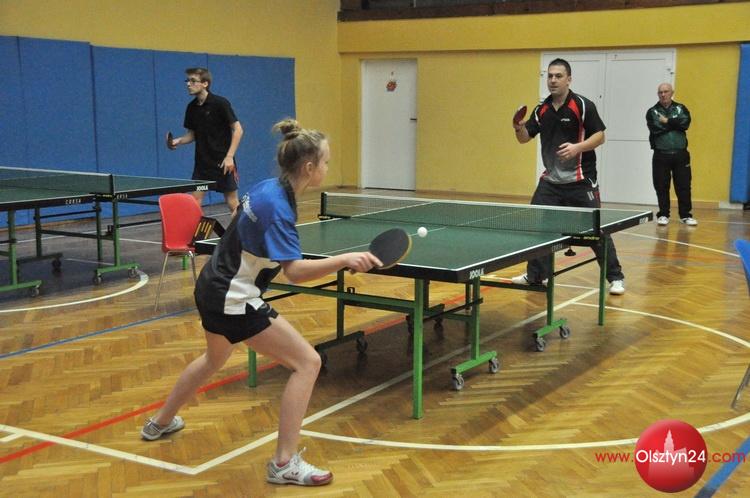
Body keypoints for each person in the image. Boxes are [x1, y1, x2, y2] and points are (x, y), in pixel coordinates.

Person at [142, 119, 382, 486]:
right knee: (308, 363)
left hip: (211, 284)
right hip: (233, 297)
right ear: (309, 167)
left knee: (214, 358)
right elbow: (295, 272)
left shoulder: (267, 188)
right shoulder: (279, 208)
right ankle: (284, 463)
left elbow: (245, 227)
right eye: (326, 162)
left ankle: (159, 422)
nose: (327, 167)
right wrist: (344, 260)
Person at [511, 58, 626, 295]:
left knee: (596, 231)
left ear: (569, 79)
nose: (553, 80)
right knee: (538, 229)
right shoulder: (541, 110)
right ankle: (535, 275)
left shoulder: (582, 105)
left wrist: (577, 147)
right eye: (550, 76)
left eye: (558, 76)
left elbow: (600, 136)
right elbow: (524, 139)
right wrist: (518, 127)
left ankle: (615, 277)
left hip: (581, 181)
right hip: (551, 183)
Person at [167, 67, 243, 212]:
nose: (188, 84)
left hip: (223, 163)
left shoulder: (220, 103)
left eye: (193, 81)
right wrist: (178, 141)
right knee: (195, 202)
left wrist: (229, 157)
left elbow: (238, 130)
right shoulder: (191, 108)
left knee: (232, 203)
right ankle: (198, 228)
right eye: (187, 80)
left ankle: (242, 227)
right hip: (202, 165)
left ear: (205, 83)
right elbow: (192, 134)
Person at [646, 83, 696, 226]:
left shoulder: (681, 108)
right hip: (661, 155)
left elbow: (685, 123)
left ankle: (685, 215)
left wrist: (667, 121)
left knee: (684, 185)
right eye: (660, 92)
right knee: (661, 185)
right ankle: (663, 214)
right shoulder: (653, 111)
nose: (663, 94)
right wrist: (675, 124)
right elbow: (656, 128)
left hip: (681, 155)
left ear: (672, 92)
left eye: (666, 91)